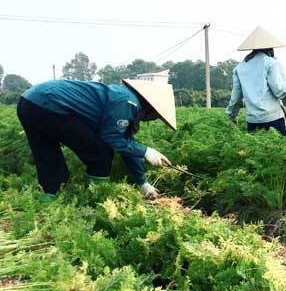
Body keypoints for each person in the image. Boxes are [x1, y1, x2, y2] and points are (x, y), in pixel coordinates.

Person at [16, 78, 175, 201]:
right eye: (156, 116)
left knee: (48, 156)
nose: (153, 119)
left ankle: (47, 205)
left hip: (29, 102)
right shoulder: (128, 102)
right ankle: (94, 201)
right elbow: (111, 138)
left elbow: (126, 143)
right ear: (150, 107)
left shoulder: (124, 98)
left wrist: (143, 183)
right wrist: (146, 151)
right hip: (51, 104)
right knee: (101, 154)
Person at [225, 26, 286, 135]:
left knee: (257, 151)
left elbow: (235, 98)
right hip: (273, 118)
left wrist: (231, 117)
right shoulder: (270, 63)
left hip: (252, 121)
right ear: (270, 48)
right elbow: (279, 91)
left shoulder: (239, 68)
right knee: (281, 150)